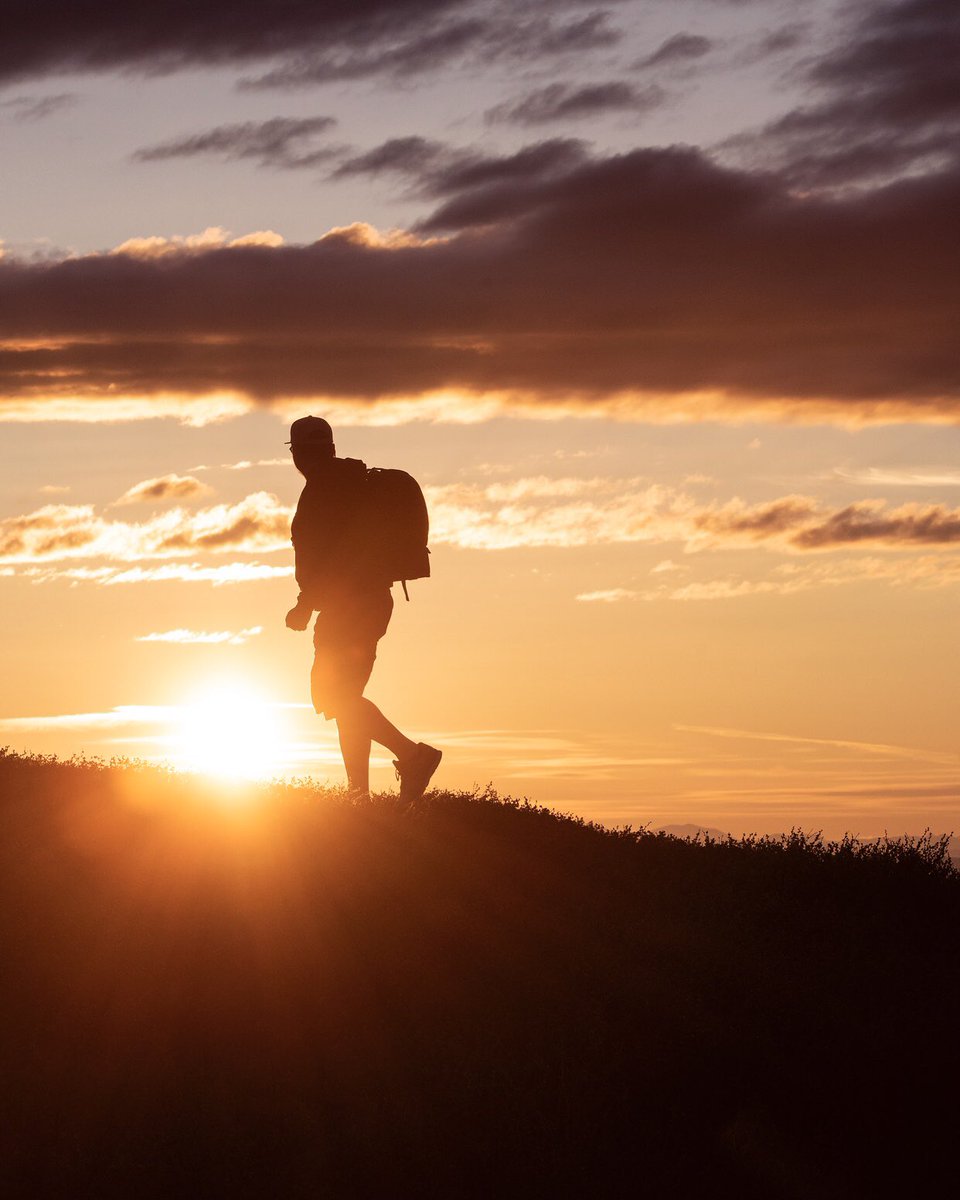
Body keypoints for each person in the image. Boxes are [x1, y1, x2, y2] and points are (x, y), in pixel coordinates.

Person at [284, 416, 442, 802]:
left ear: (298, 454)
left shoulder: (324, 490)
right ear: (332, 448)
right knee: (347, 699)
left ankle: (413, 756)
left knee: (335, 697)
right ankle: (359, 793)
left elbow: (326, 556)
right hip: (370, 602)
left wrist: (305, 606)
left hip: (348, 605)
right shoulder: (352, 483)